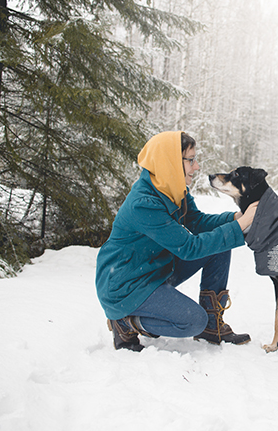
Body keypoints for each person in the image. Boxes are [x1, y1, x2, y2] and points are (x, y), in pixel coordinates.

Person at [95, 131, 258, 351]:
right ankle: (125, 323)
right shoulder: (143, 203)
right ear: (170, 162)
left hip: (154, 268)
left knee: (220, 243)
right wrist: (240, 226)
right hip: (126, 284)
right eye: (190, 160)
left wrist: (235, 218)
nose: (197, 166)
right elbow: (189, 248)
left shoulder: (171, 187)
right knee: (192, 321)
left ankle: (212, 326)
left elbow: (196, 221)